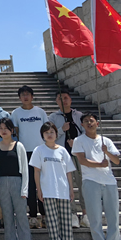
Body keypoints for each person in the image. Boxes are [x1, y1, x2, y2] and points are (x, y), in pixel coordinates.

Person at [72, 112, 121, 240]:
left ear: (97, 123)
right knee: (95, 219)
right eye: (86, 121)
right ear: (82, 125)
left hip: (109, 182)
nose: (89, 123)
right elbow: (82, 161)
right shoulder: (78, 140)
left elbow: (117, 160)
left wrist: (106, 151)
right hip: (90, 181)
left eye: (92, 120)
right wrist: (99, 164)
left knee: (113, 217)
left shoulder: (105, 140)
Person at [30, 121, 75, 240]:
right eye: (46, 132)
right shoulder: (39, 150)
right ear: (42, 135)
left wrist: (71, 189)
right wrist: (39, 189)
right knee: (52, 224)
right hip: (48, 191)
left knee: (66, 223)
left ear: (56, 134)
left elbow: (68, 172)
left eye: (52, 132)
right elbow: (36, 171)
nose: (49, 135)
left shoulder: (62, 150)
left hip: (63, 190)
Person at [0, 118, 35, 240]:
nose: (4, 130)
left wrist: (25, 190)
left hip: (17, 183)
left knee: (22, 218)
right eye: (1, 128)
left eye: (7, 128)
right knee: (8, 218)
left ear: (12, 130)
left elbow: (25, 170)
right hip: (1, 184)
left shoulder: (19, 146)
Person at [48, 89, 88, 228]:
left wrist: (76, 143)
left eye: (65, 98)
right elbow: (49, 134)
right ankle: (72, 213)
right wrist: (61, 129)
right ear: (56, 101)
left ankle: (85, 213)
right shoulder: (53, 117)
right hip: (61, 155)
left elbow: (86, 133)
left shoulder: (79, 115)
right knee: (66, 185)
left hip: (78, 154)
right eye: (60, 98)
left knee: (82, 183)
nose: (63, 101)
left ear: (70, 100)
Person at [11, 85, 49, 228]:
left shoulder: (40, 112)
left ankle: (45, 215)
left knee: (43, 183)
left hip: (41, 151)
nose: (25, 97)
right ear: (20, 98)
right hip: (25, 152)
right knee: (31, 184)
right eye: (23, 95)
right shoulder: (15, 113)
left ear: (32, 96)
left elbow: (47, 129)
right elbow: (15, 132)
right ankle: (33, 216)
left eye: (28, 94)